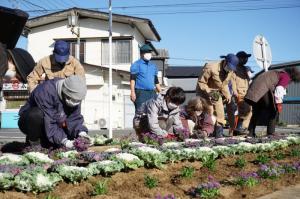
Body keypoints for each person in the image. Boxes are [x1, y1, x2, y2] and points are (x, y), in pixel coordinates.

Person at [18, 75, 90, 148]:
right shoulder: (45, 91)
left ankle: (49, 142)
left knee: (62, 143)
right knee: (36, 115)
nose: (75, 102)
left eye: (77, 101)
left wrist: (81, 132)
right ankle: (34, 142)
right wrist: (65, 141)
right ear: (65, 91)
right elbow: (49, 121)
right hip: (31, 123)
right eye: (72, 99)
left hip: (55, 124)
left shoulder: (76, 95)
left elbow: (74, 117)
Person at [245, 67, 300, 137]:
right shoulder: (286, 76)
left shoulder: (277, 72)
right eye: (292, 81)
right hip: (264, 89)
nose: (290, 82)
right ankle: (271, 132)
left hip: (255, 90)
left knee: (256, 112)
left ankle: (250, 132)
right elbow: (279, 89)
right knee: (274, 110)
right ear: (293, 77)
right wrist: (279, 104)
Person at [196, 53, 239, 138]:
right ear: (225, 62)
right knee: (210, 110)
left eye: (232, 68)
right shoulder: (211, 67)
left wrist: (228, 95)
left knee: (220, 113)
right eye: (229, 67)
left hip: (216, 93)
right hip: (204, 91)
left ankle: (218, 134)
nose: (230, 69)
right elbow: (201, 82)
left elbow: (224, 84)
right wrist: (209, 92)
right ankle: (203, 132)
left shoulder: (230, 71)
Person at [226, 51, 253, 136]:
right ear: (239, 58)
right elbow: (232, 81)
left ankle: (242, 129)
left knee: (248, 112)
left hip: (246, 93)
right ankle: (235, 131)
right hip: (238, 93)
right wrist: (235, 92)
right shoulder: (234, 68)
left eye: (247, 58)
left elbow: (248, 80)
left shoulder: (245, 68)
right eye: (244, 58)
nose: (246, 59)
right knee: (238, 113)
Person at [130, 44, 161, 112]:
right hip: (141, 92)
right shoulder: (136, 64)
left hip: (152, 92)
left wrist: (160, 91)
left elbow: (156, 80)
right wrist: (132, 92)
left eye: (150, 52)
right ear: (141, 54)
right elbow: (132, 79)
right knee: (141, 113)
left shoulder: (153, 66)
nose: (149, 54)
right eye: (147, 52)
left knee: (153, 112)